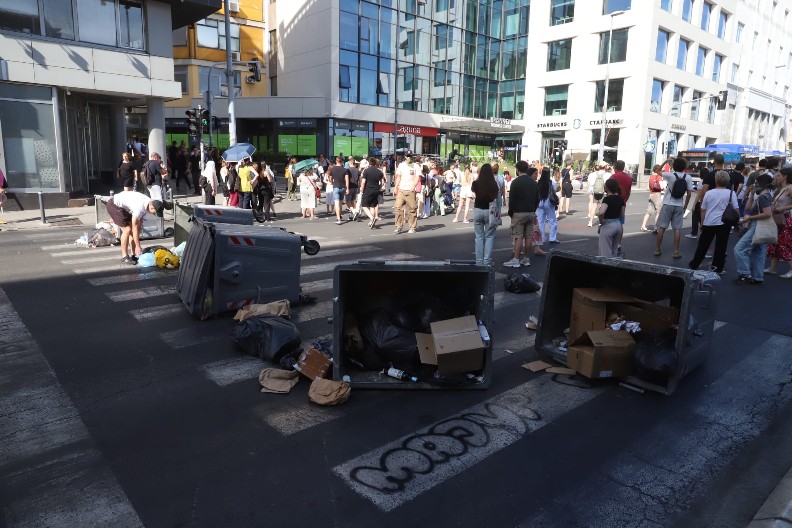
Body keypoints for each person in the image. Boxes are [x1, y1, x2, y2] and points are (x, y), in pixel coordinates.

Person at [688, 171, 739, 274]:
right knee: (721, 246)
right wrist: (736, 223)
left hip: (709, 221)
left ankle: (694, 264)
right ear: (727, 181)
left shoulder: (708, 193)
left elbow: (703, 210)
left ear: (716, 181)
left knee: (703, 245)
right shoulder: (731, 193)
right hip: (724, 223)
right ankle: (717, 267)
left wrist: (702, 223)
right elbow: (736, 209)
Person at [734, 174, 774, 284]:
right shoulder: (765, 196)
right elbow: (748, 208)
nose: (754, 185)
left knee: (740, 249)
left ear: (761, 183)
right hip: (761, 226)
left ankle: (745, 273)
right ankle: (758, 276)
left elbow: (767, 213)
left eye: (756, 183)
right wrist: (751, 195)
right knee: (758, 252)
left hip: (757, 225)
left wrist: (750, 218)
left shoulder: (763, 197)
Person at [105, 191, 162, 264]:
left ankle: (133, 254)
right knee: (127, 230)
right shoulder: (140, 207)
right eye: (154, 213)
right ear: (151, 207)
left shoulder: (149, 202)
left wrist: (139, 226)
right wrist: (138, 246)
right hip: (114, 205)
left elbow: (138, 225)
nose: (154, 214)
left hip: (124, 208)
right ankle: (124, 257)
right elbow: (135, 227)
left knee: (134, 229)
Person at [655, 157, 693, 259]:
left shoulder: (670, 176)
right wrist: (685, 206)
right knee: (677, 229)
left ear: (673, 166)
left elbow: (657, 170)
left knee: (662, 227)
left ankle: (657, 249)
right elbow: (689, 194)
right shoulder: (688, 177)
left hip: (667, 203)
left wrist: (666, 161)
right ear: (684, 167)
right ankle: (676, 251)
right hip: (679, 205)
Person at [504, 162, 539, 268]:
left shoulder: (515, 182)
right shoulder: (533, 183)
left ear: (517, 169)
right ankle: (526, 259)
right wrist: (533, 209)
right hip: (530, 212)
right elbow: (537, 198)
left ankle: (516, 259)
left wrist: (511, 211)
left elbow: (512, 199)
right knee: (528, 236)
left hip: (518, 212)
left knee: (518, 237)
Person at [764, 166, 792, 279]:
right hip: (779, 218)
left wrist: (783, 209)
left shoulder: (790, 188)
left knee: (783, 244)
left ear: (785, 176)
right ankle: (773, 268)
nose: (776, 177)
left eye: (779, 175)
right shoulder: (782, 188)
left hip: (785, 219)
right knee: (775, 243)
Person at [471, 163, 500, 266]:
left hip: (478, 209)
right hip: (489, 211)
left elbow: (473, 194)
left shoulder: (475, 183)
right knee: (489, 236)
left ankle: (479, 261)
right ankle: (487, 261)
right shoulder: (494, 184)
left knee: (478, 237)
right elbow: (496, 197)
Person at [687, 155, 721, 239]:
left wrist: (694, 205)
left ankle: (694, 233)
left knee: (697, 218)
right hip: (711, 202)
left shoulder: (701, 182)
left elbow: (699, 194)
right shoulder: (713, 179)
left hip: (701, 202)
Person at [596, 179, 625, 257]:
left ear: (606, 188)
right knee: (614, 252)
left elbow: (601, 212)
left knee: (605, 253)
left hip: (608, 226)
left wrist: (601, 221)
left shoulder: (607, 199)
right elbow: (622, 215)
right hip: (618, 225)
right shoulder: (621, 199)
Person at [393, 154, 419, 234]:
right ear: (405, 157)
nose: (409, 158)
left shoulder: (415, 166)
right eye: (407, 156)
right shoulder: (401, 165)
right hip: (401, 189)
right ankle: (398, 226)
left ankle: (412, 227)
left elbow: (417, 177)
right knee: (397, 207)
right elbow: (398, 177)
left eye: (410, 156)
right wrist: (396, 187)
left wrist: (413, 186)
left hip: (410, 190)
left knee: (412, 209)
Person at [535, 167, 559, 246]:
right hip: (549, 202)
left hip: (540, 202)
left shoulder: (539, 182)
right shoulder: (551, 182)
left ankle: (542, 238)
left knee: (540, 221)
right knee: (552, 220)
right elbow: (554, 192)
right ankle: (552, 238)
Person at [360, 157, 385, 228]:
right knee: (372, 206)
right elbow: (382, 182)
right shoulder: (379, 171)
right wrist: (379, 187)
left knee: (364, 205)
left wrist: (362, 189)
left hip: (368, 190)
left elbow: (363, 182)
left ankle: (372, 218)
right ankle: (372, 221)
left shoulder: (366, 171)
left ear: (369, 163)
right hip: (376, 190)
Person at [641, 164, 665, 232]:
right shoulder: (659, 176)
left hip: (651, 194)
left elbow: (648, 187)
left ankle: (643, 226)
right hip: (657, 195)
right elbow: (662, 187)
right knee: (658, 212)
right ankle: (656, 227)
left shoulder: (651, 176)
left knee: (649, 212)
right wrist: (664, 187)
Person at [329, 156, 349, 224]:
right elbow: (347, 179)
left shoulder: (333, 169)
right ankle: (339, 215)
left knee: (337, 204)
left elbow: (330, 178)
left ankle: (338, 219)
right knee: (340, 204)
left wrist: (332, 182)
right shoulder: (345, 170)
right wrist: (347, 188)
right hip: (343, 187)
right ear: (342, 162)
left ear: (336, 161)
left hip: (336, 187)